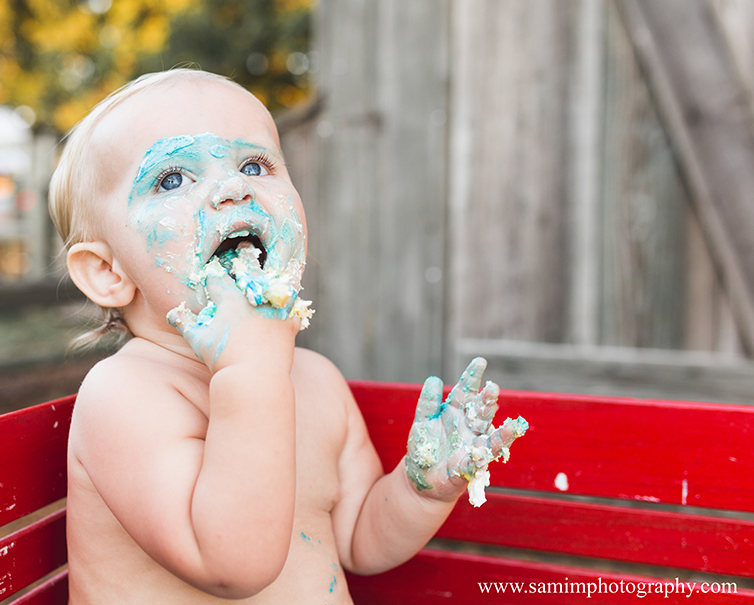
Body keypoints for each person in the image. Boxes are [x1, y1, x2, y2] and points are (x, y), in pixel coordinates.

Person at [48, 68, 527, 604]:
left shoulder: (317, 382)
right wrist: (250, 373)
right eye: (172, 179)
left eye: (254, 164)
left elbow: (356, 541)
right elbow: (232, 564)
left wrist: (421, 490)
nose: (233, 188)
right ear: (109, 273)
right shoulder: (125, 396)